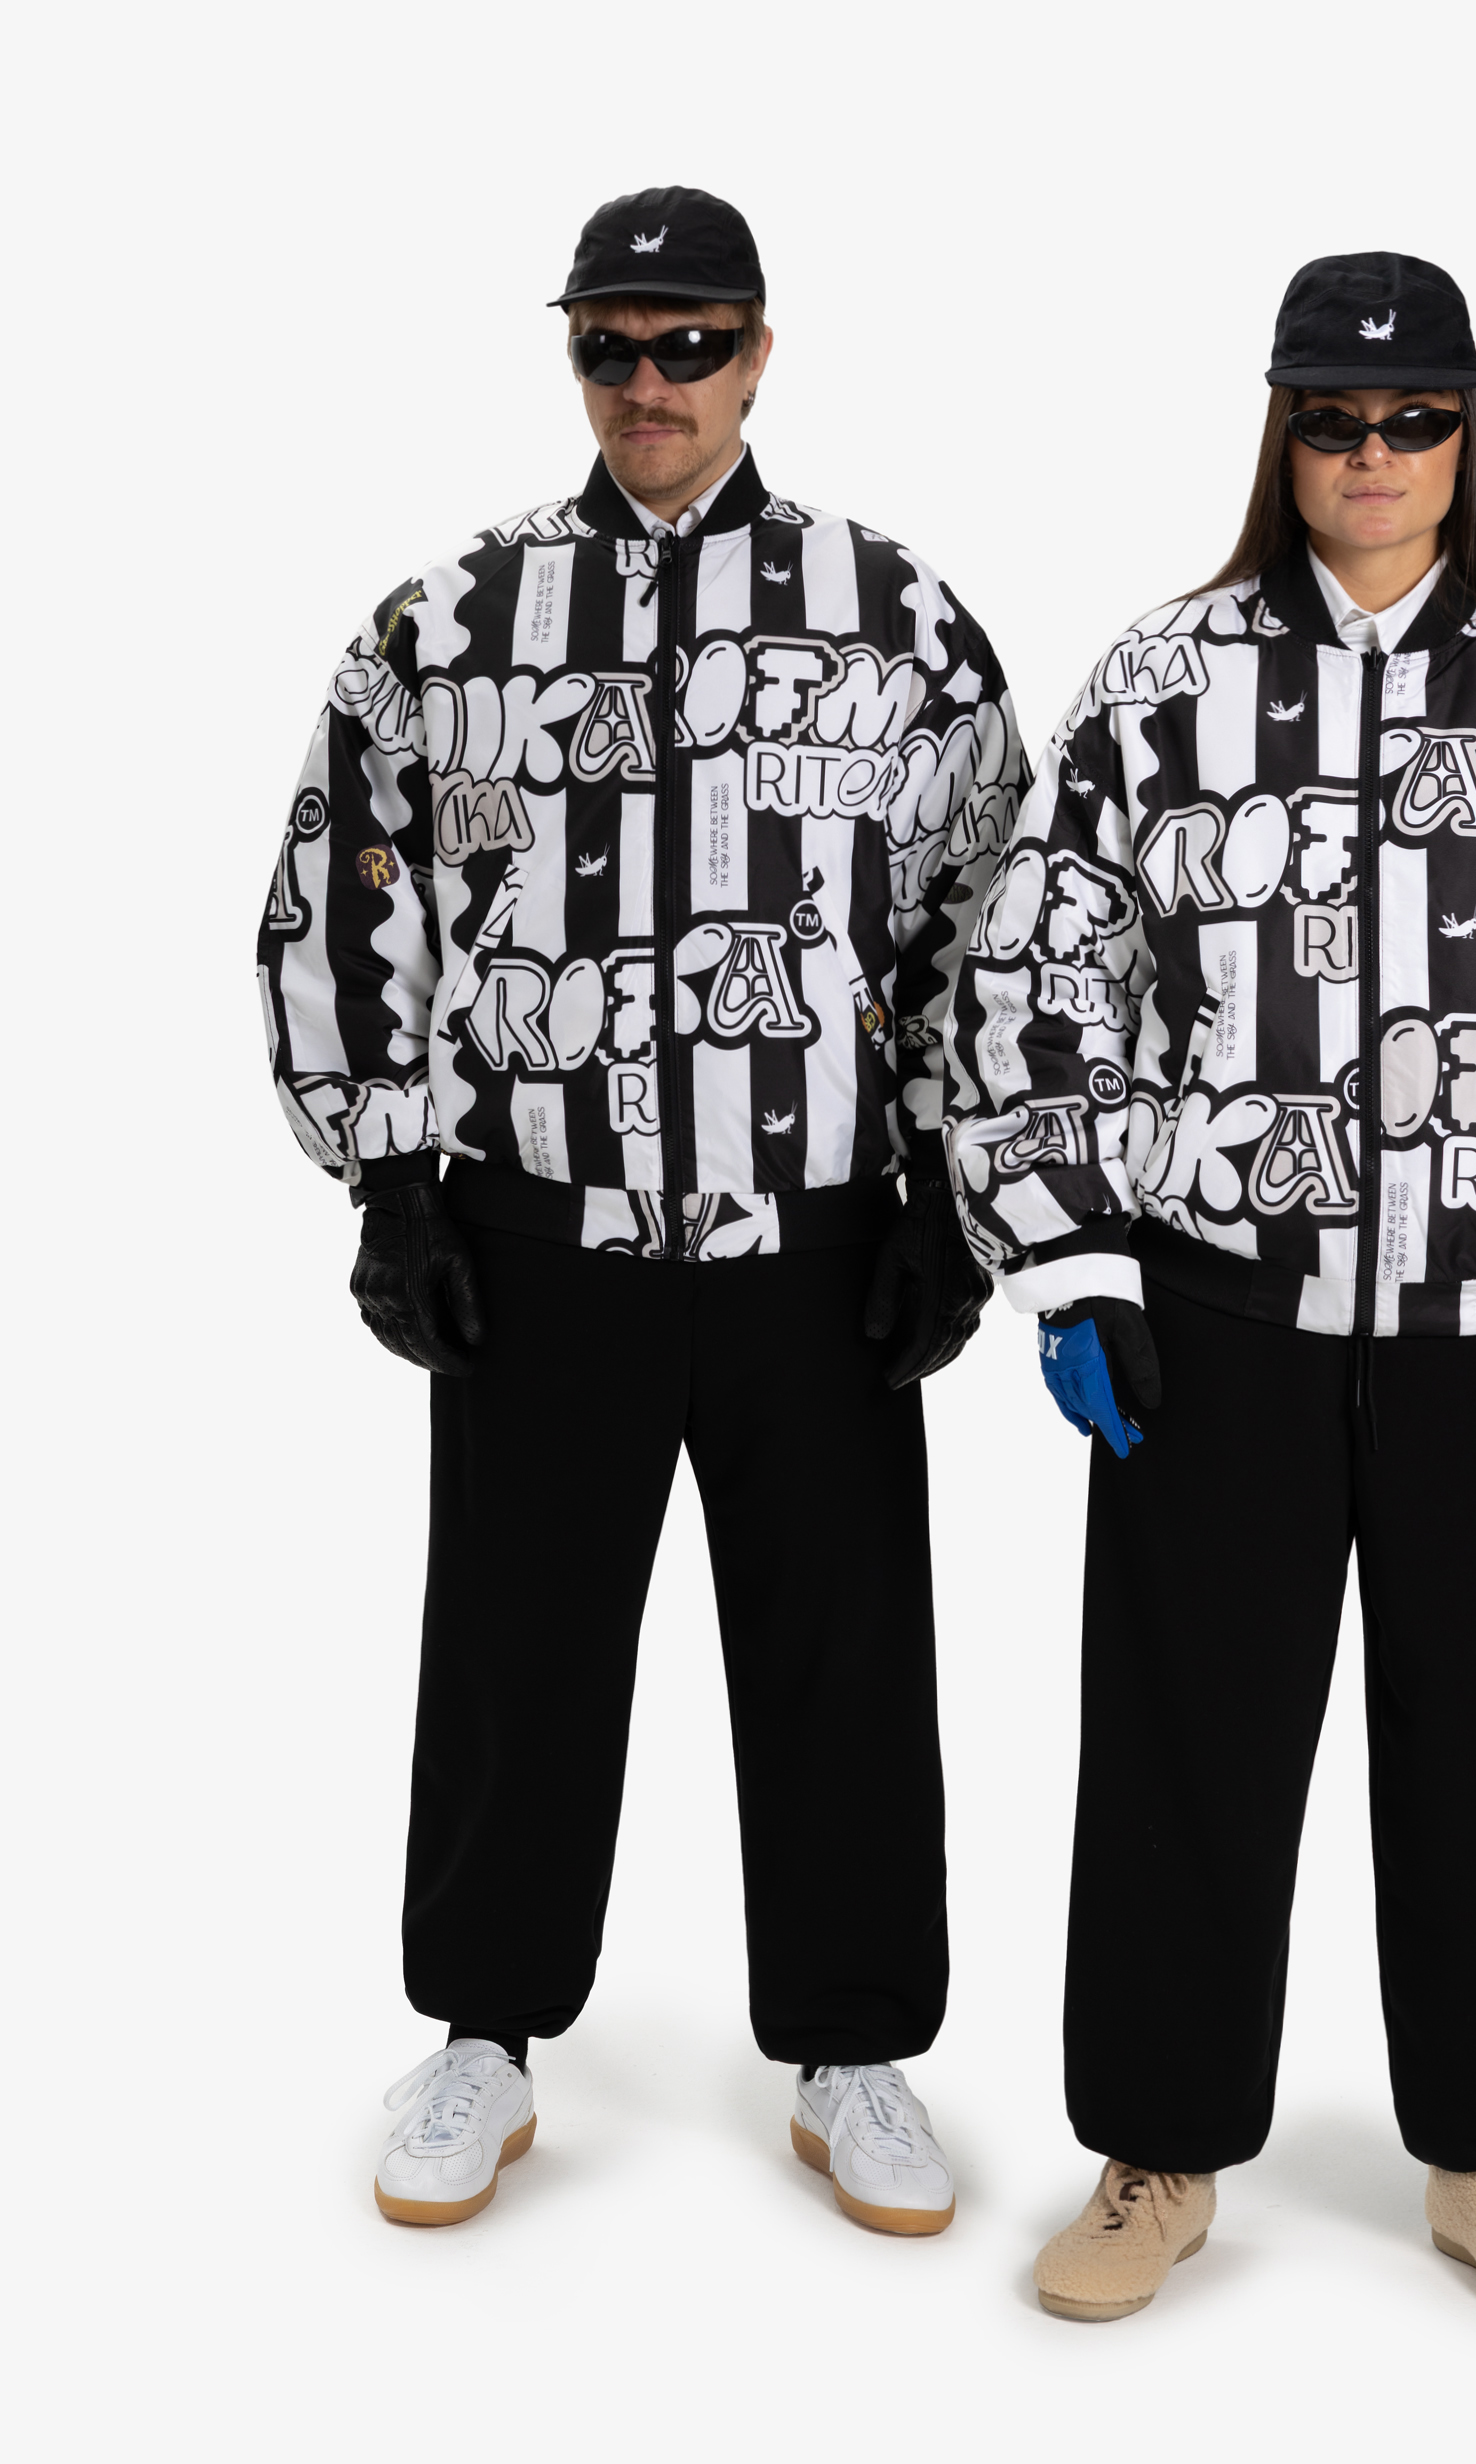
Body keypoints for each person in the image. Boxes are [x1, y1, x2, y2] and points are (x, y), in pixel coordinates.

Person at [945, 251, 1476, 2324]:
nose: (1373, 453)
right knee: (1185, 1750)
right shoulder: (1162, 679)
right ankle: (1156, 2153)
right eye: (1333, 415)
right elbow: (1036, 977)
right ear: (1283, 429)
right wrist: (1075, 1255)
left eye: (1414, 418)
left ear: (1467, 433)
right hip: (1218, 1325)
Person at [259, 185, 1025, 2233]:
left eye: (690, 343)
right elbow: (347, 880)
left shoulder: (893, 612)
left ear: (760, 353)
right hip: (542, 1232)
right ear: (575, 357)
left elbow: (991, 901)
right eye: (611, 343)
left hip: (813, 1235)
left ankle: (852, 2048)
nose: (650, 381)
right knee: (515, 1649)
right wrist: (391, 1173)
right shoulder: (450, 619)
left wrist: (950, 1191)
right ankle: (485, 2037)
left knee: (843, 1650)